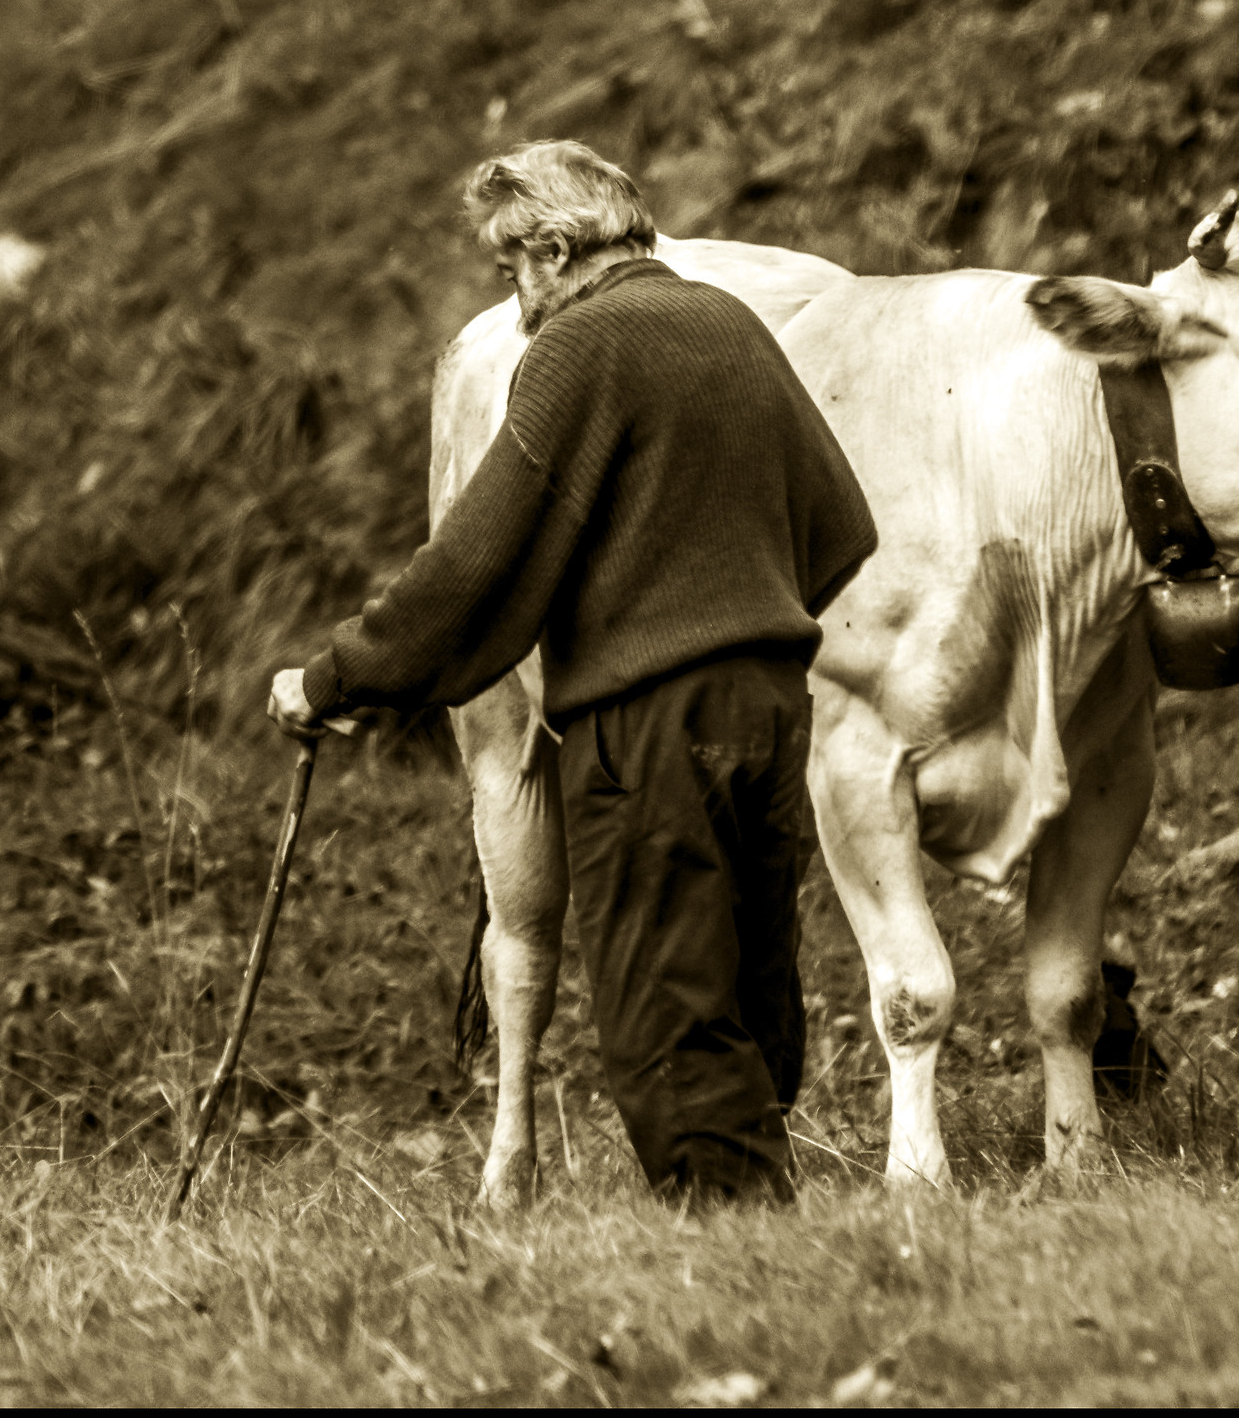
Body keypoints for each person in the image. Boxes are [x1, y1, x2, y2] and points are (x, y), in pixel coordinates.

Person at [267, 140, 876, 1204]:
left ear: (555, 248)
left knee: (659, 998)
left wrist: (334, 679)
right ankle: (765, 1216)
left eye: (513, 268)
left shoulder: (580, 347)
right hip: (773, 708)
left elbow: (472, 559)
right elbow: (843, 523)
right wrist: (752, 622)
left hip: (650, 724)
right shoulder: (727, 322)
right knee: (747, 975)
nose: (516, 296)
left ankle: (732, 1236)